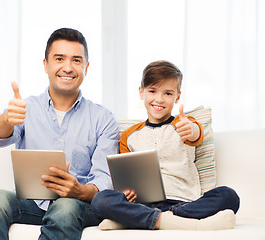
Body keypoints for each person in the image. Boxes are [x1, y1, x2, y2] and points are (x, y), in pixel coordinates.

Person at [0, 28, 120, 240]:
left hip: (77, 205)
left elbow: (104, 178)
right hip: (31, 202)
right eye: (59, 58)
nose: (67, 67)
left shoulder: (103, 118)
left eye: (76, 60)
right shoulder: (26, 107)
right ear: (45, 65)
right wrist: (7, 119)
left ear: (86, 67)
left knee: (65, 208)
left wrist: (80, 191)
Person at [91, 60, 240, 231]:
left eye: (168, 93)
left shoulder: (184, 123)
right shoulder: (128, 135)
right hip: (144, 203)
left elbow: (195, 133)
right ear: (141, 92)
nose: (159, 99)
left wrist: (191, 129)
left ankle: (146, 220)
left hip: (184, 202)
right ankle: (176, 221)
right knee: (100, 200)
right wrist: (125, 194)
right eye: (152, 91)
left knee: (228, 196)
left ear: (177, 96)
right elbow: (124, 178)